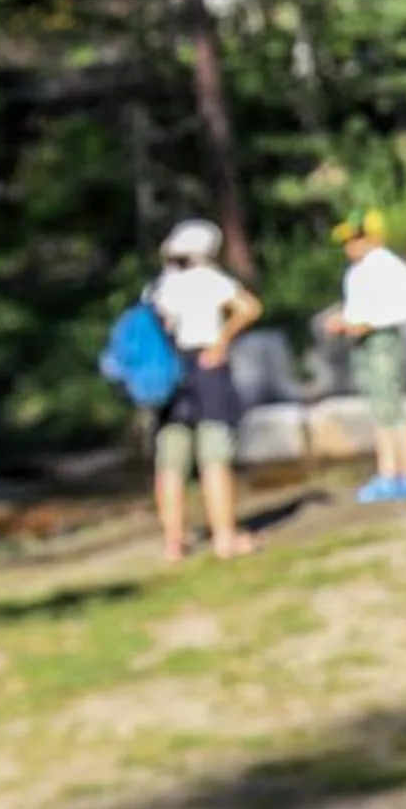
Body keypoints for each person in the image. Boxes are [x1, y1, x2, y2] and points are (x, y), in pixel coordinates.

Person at [150, 217, 263, 561]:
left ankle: (173, 542)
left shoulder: (159, 286)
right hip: (206, 368)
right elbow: (250, 308)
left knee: (170, 462)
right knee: (214, 456)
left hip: (170, 376)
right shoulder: (210, 280)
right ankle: (225, 537)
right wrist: (221, 341)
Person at [331, 209, 406, 505]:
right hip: (364, 343)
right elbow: (358, 309)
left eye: (355, 238)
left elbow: (405, 307)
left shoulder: (387, 266)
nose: (349, 246)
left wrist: (367, 324)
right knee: (380, 409)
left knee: (392, 406)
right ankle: (389, 471)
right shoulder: (357, 272)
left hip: (382, 341)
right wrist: (345, 322)